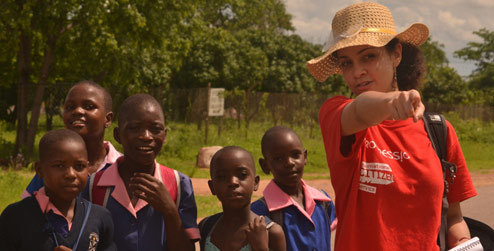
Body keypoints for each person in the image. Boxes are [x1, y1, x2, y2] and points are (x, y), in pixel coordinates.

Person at [306, 2, 477, 250]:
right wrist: (392, 100)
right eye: (346, 63)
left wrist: (462, 241)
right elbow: (360, 109)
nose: (357, 72)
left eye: (369, 56)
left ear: (396, 54)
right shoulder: (338, 115)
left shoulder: (439, 130)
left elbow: (453, 216)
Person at [82, 94, 199, 251]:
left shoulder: (179, 184)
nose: (146, 136)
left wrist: (170, 211)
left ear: (164, 136)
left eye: (155, 129)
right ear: (118, 135)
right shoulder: (94, 185)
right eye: (134, 128)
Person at [0, 129, 116, 250]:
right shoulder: (15, 217)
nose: (71, 174)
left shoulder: (100, 217)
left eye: (79, 166)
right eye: (59, 166)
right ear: (40, 170)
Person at [23, 80, 121, 198]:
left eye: (89, 106)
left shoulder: (122, 166)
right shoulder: (53, 165)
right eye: (70, 107)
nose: (77, 111)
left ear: (108, 119)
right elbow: (25, 211)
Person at [251, 126, 337, 250]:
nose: (289, 163)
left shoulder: (323, 202)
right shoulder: (259, 212)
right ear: (265, 166)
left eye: (295, 155)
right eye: (279, 159)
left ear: (305, 156)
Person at [199, 146, 286, 251]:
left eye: (242, 175)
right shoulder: (206, 227)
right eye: (222, 177)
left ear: (255, 182)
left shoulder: (271, 232)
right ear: (212, 187)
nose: (233, 182)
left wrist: (261, 248)